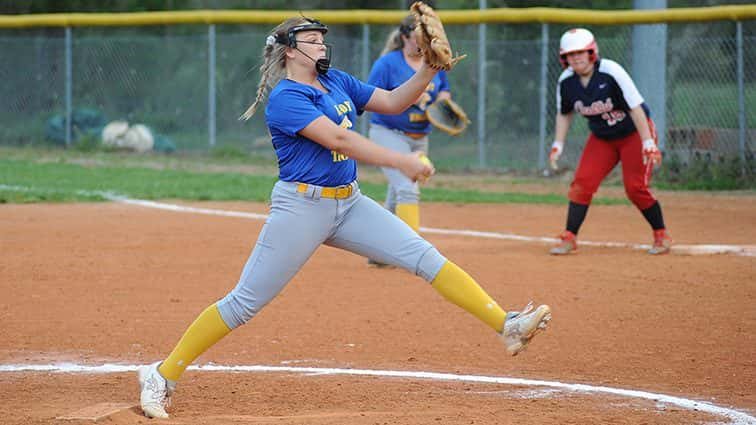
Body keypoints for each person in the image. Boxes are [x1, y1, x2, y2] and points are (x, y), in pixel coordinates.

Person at [137, 16, 552, 419]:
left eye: (321, 38)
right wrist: (400, 161)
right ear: (289, 51)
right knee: (245, 302)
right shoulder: (287, 98)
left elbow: (391, 101)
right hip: (302, 208)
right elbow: (339, 138)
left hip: (349, 203)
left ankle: (507, 325)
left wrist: (428, 69)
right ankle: (162, 374)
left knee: (424, 256)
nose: (321, 44)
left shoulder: (336, 81)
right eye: (312, 40)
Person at [548, 28, 672, 256]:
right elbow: (564, 113)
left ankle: (661, 234)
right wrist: (558, 144)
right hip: (602, 138)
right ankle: (569, 237)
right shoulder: (566, 81)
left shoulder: (611, 72)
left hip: (634, 133)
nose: (576, 58)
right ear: (564, 58)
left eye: (580, 52)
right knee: (582, 184)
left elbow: (636, 108)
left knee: (635, 188)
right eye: (570, 54)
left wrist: (648, 142)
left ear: (592, 52)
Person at [364, 14, 452, 269]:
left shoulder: (433, 62)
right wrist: (402, 98)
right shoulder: (387, 64)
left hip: (419, 138)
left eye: (427, 39)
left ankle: (379, 250)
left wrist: (443, 105)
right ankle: (413, 253)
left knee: (396, 193)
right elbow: (369, 98)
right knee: (406, 189)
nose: (423, 44)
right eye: (418, 38)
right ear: (404, 37)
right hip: (388, 134)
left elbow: (443, 89)